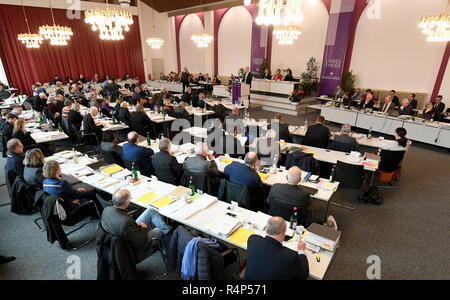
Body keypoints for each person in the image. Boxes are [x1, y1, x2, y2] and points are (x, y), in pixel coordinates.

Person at [101, 189, 172, 263]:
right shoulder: (125, 222)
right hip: (134, 248)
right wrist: (142, 228)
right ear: (126, 203)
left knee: (151, 210)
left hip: (126, 232)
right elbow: (140, 241)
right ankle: (169, 250)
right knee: (162, 229)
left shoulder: (107, 210)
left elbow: (127, 227)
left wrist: (136, 225)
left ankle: (168, 232)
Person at [244, 216, 309, 280]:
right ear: (284, 232)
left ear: (266, 229)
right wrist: (301, 251)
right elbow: (304, 275)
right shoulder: (290, 256)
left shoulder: (253, 239)